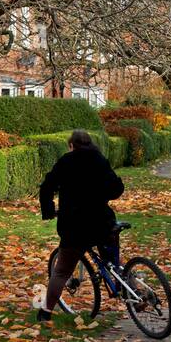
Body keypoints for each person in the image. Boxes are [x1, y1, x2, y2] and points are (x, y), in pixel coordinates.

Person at [37, 128, 124, 321]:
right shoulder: (100, 160)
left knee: (61, 271)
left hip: (74, 227)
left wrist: (49, 211)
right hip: (102, 222)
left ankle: (46, 312)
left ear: (71, 145)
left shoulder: (65, 162)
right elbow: (116, 189)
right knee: (115, 263)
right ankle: (134, 291)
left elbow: (46, 187)